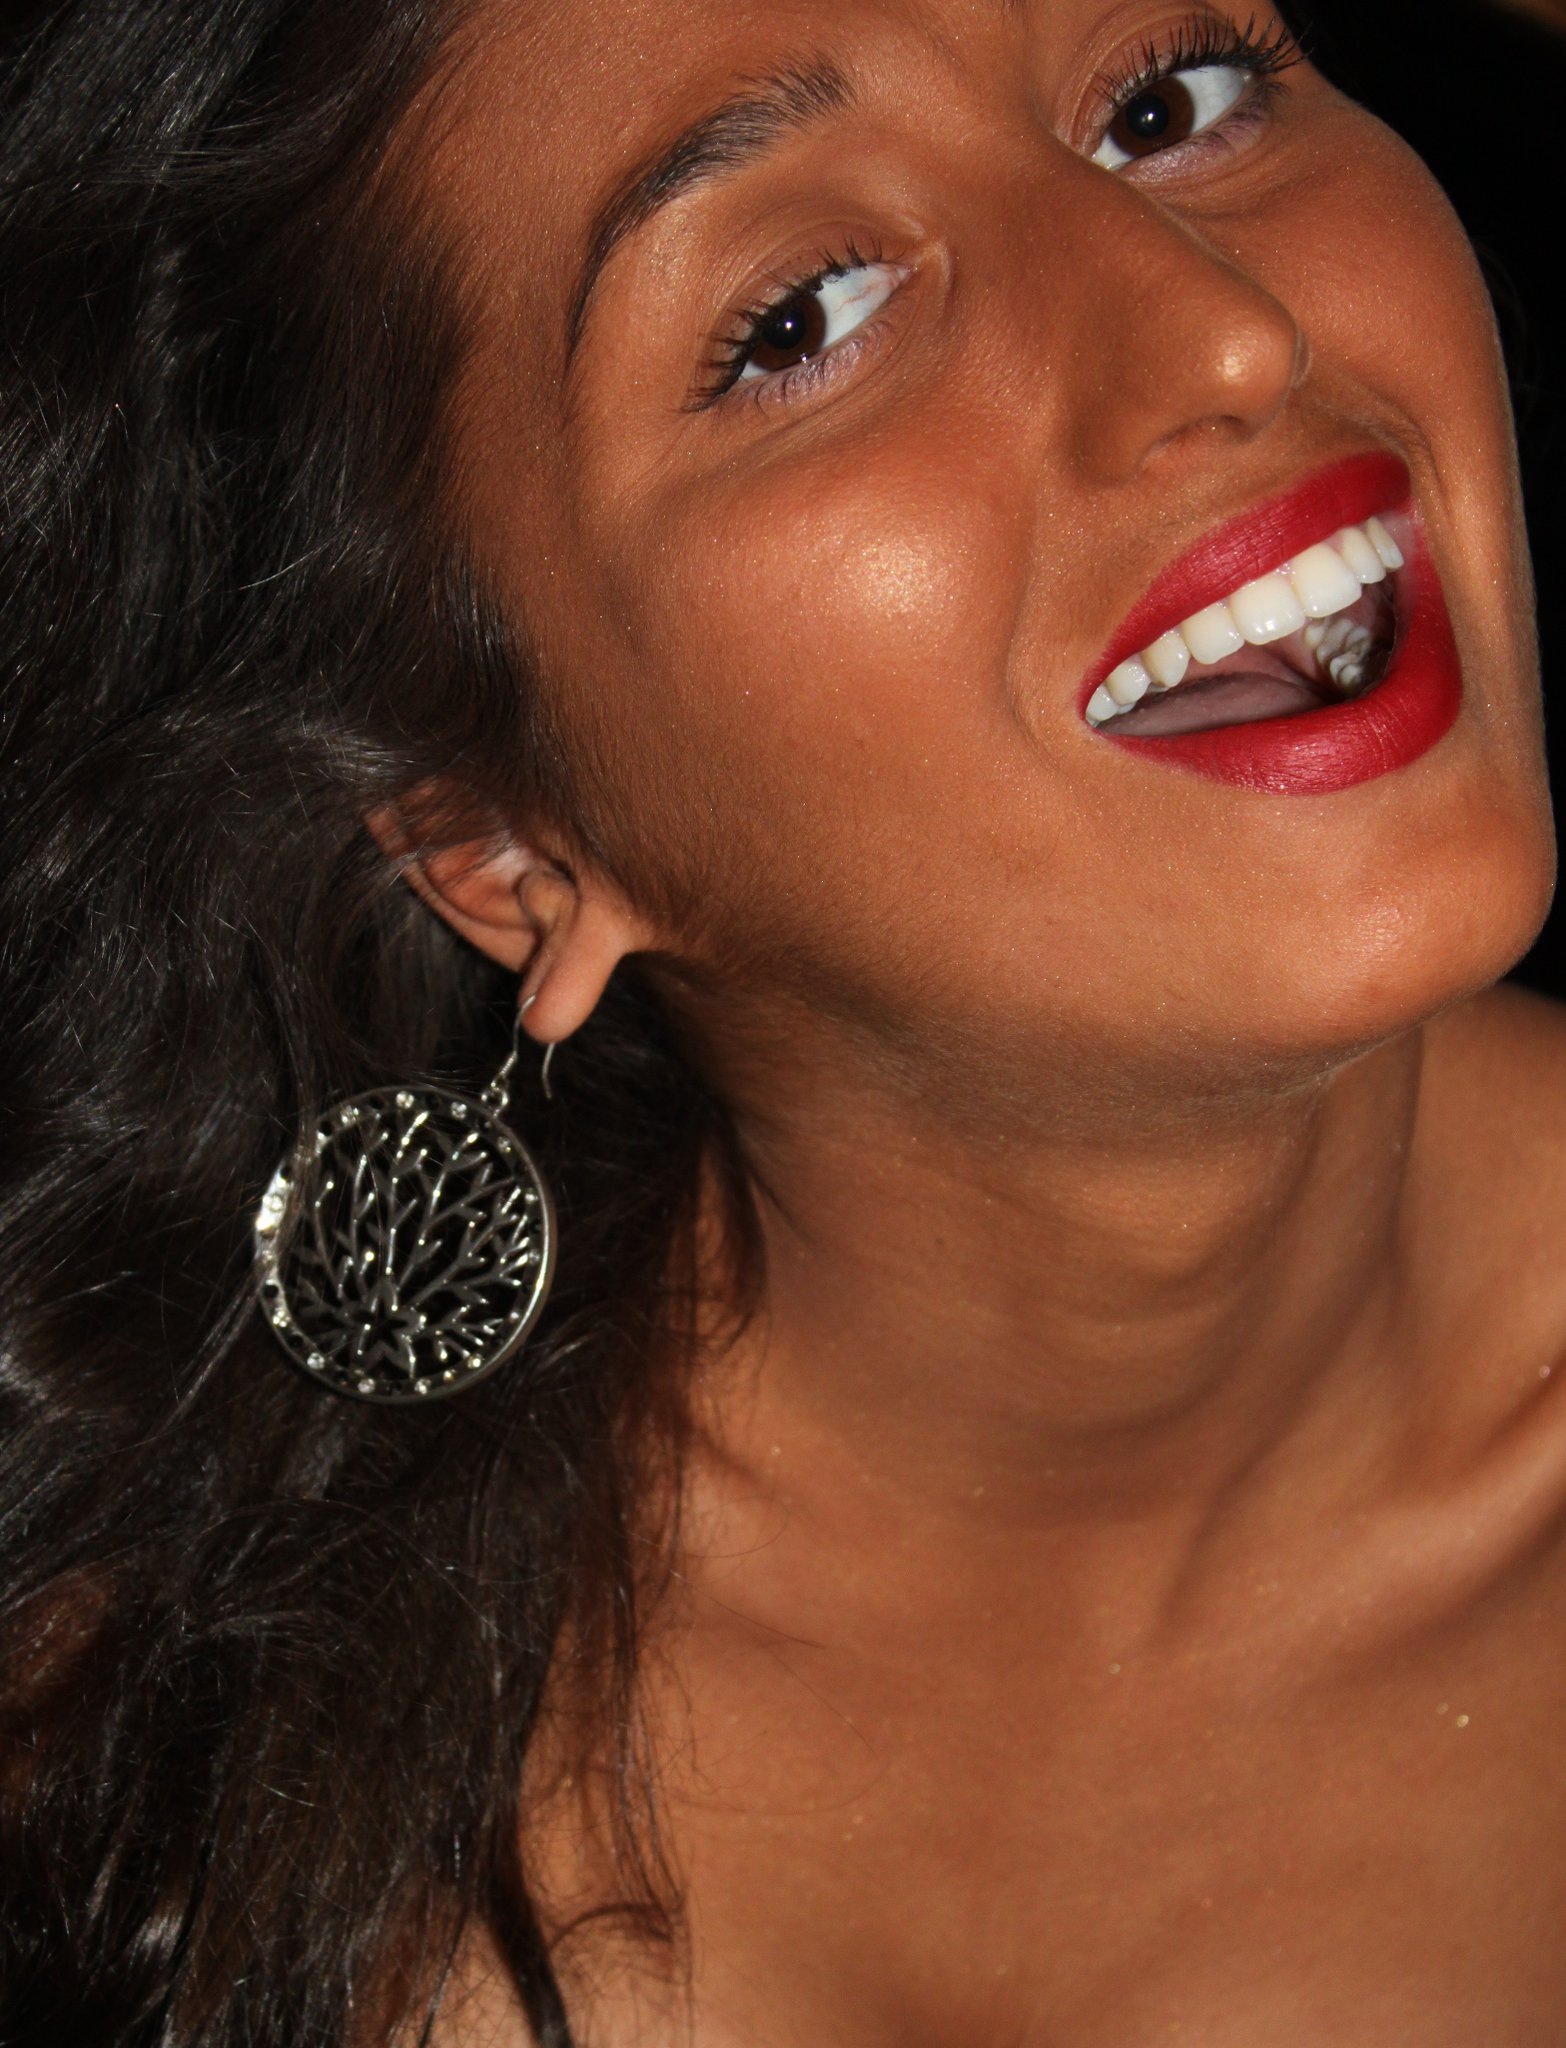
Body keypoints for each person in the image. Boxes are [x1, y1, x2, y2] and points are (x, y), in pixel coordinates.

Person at [2, 3, 1563, 2044]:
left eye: (1166, 98)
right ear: (499, 839)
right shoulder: (124, 1761)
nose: (1222, 337)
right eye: (803, 317)